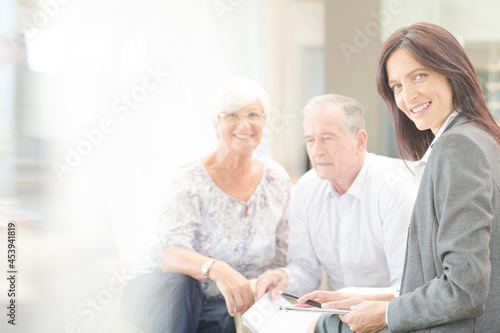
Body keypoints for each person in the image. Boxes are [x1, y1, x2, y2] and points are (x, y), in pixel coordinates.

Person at [301, 22, 500, 333]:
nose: (408, 96)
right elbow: (449, 278)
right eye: (396, 86)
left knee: (323, 328)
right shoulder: (480, 137)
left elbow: (464, 289)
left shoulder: (458, 146)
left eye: (419, 76)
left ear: (452, 71)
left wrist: (387, 314)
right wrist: (370, 302)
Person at [120, 78, 291, 333]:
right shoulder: (191, 179)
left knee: (226, 319)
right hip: (162, 291)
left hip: (218, 304)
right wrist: (218, 269)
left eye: (253, 114)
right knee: (183, 285)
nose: (244, 124)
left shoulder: (276, 180)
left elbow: (282, 257)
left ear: (264, 121)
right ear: (216, 124)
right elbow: (170, 255)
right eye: (232, 114)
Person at [255, 94, 418, 301]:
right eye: (310, 140)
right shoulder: (305, 189)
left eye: (327, 138)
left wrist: (350, 301)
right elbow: (306, 270)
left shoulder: (395, 190)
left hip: (389, 316)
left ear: (360, 141)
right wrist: (285, 277)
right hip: (335, 316)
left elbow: (406, 287)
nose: (317, 151)